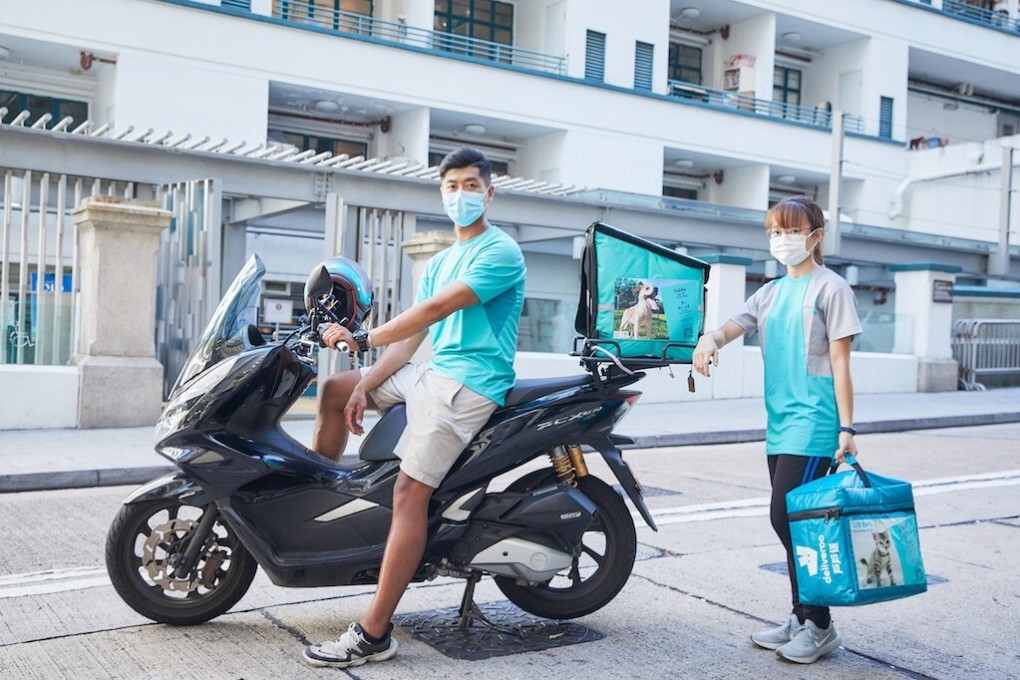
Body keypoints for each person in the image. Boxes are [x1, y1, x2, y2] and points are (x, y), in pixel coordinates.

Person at [303, 147, 527, 668]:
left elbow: (436, 309)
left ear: (489, 192)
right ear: (441, 193)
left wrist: (361, 339)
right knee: (336, 393)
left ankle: (374, 634)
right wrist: (367, 381)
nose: (461, 195)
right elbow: (414, 338)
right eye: (452, 186)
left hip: (470, 383)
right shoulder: (441, 260)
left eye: (472, 185)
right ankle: (321, 500)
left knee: (409, 493)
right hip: (430, 372)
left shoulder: (501, 252)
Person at [692, 195, 861, 665]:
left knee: (789, 519)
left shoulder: (832, 289)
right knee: (792, 521)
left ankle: (821, 624)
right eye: (773, 232)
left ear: (815, 236)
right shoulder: (769, 292)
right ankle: (801, 616)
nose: (781, 240)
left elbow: (843, 365)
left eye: (789, 230)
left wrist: (847, 427)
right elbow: (733, 326)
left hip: (816, 420)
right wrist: (709, 340)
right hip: (780, 421)